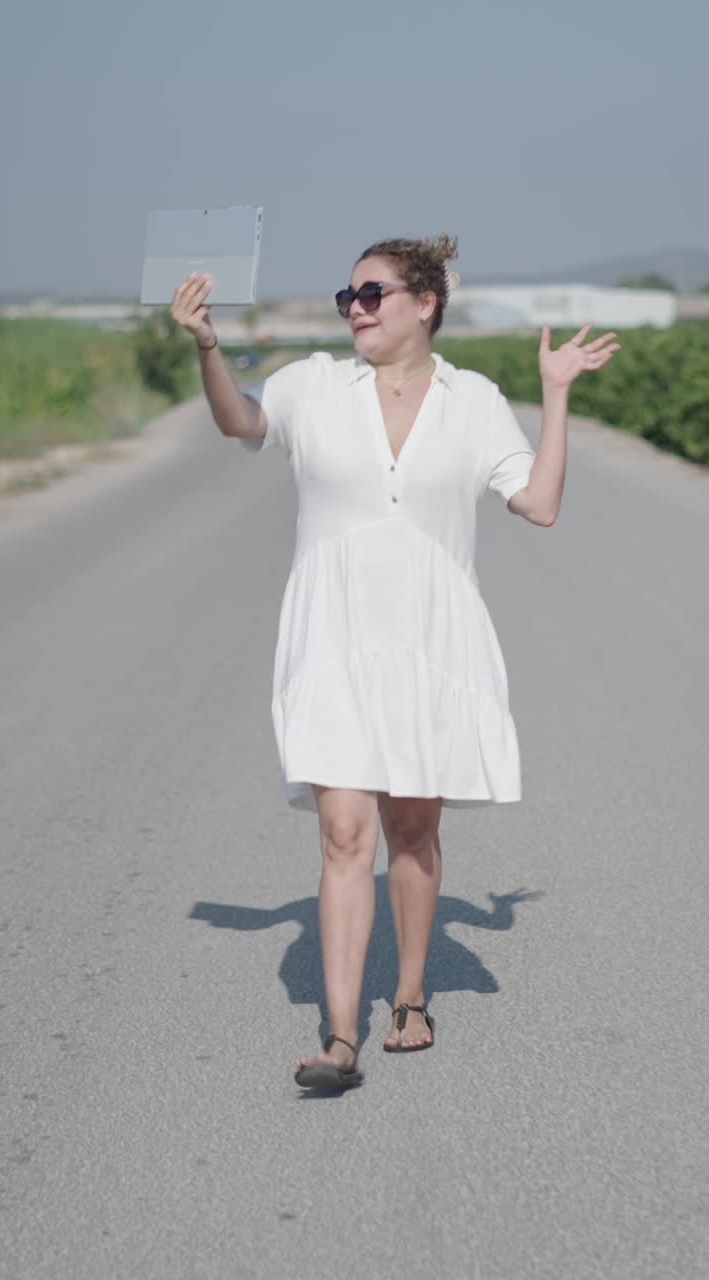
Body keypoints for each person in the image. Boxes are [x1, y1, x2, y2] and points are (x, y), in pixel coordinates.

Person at [171, 235, 620, 1091]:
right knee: (346, 832)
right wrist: (206, 344)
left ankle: (410, 996)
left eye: (373, 294)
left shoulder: (475, 400)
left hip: (431, 636)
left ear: (426, 302)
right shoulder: (311, 385)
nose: (357, 309)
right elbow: (242, 420)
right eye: (349, 298)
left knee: (412, 832)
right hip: (331, 633)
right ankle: (341, 1037)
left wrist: (555, 396)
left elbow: (540, 503)